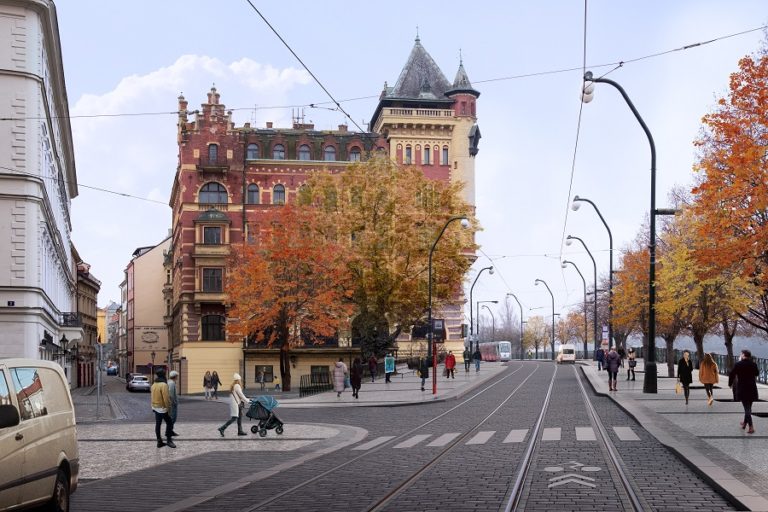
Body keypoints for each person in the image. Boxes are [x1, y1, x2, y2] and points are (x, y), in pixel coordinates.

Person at [729, 349, 759, 434]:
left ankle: (751, 427)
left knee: (747, 408)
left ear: (743, 355)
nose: (740, 355)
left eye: (741, 354)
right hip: (752, 388)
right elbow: (757, 373)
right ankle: (745, 423)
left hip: (743, 388)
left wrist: (730, 383)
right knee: (748, 407)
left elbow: (732, 374)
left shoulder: (738, 364)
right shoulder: (753, 364)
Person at [151, 369, 176, 448]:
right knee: (169, 423)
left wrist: (153, 406)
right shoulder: (163, 385)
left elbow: (152, 396)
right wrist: (168, 408)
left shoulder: (154, 384)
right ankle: (169, 441)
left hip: (155, 407)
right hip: (162, 408)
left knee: (158, 424)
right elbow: (166, 398)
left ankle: (159, 441)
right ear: (163, 375)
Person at [167, 370, 179, 437]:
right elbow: (171, 394)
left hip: (171, 403)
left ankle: (170, 431)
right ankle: (169, 431)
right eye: (177, 376)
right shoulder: (172, 383)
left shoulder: (170, 382)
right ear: (175, 376)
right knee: (173, 418)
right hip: (172, 404)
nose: (177, 377)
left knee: (172, 418)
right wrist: (174, 402)